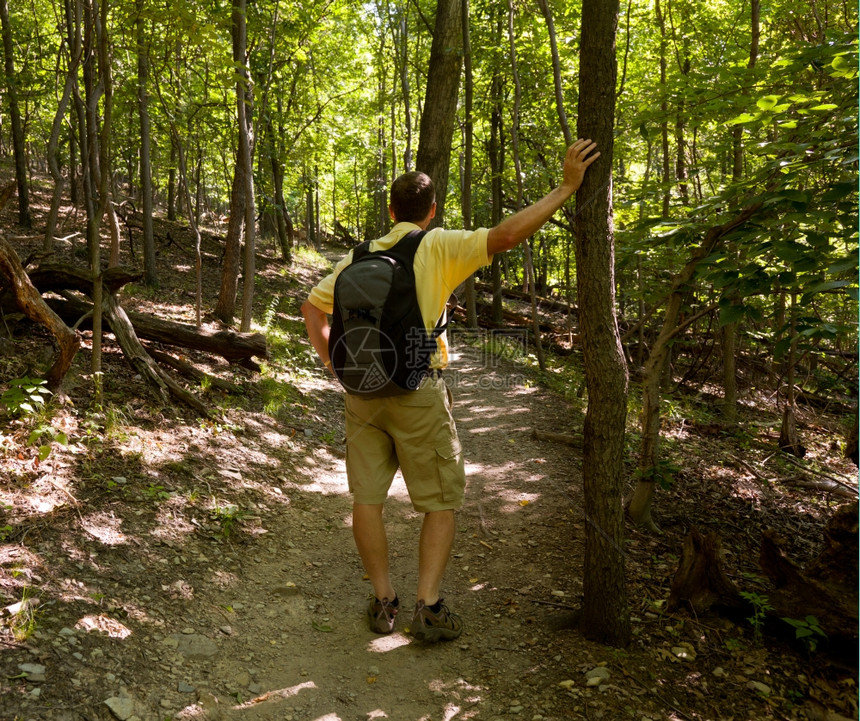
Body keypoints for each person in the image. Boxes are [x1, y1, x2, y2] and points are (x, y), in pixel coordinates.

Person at [301, 138, 599, 642]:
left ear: (391, 210)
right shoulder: (436, 246)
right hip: (419, 386)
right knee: (440, 502)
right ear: (432, 211)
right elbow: (505, 235)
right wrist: (567, 186)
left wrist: (335, 364)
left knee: (367, 500)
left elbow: (313, 308)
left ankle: (382, 600)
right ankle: (429, 606)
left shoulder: (359, 254)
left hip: (362, 391)